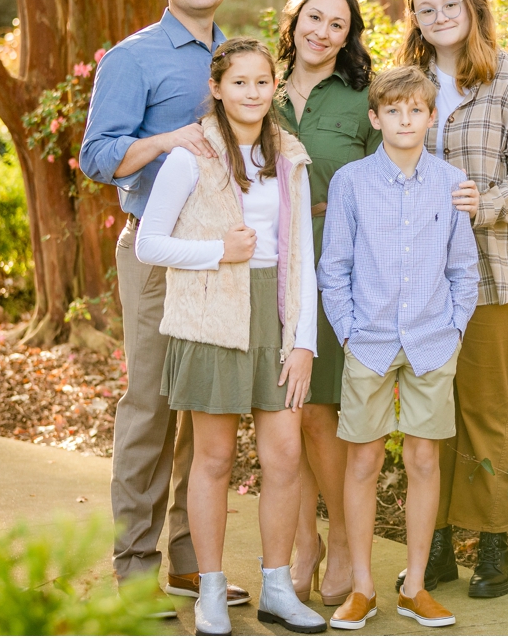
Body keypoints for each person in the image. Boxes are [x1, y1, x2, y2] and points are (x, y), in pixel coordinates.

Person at [79, 0, 249, 617]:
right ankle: (133, 569)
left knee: (202, 409)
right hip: (154, 251)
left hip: (222, 259)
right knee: (150, 406)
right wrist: (166, 140)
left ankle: (188, 559)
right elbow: (96, 158)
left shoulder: (234, 55)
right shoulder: (135, 57)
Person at [134, 37, 327, 635]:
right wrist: (219, 251)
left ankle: (276, 586)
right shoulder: (192, 156)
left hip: (275, 314)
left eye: (262, 82)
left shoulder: (289, 155)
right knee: (213, 458)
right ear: (216, 88)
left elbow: (301, 258)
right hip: (210, 317)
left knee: (285, 457)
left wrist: (303, 342)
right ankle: (211, 590)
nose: (251, 92)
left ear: (275, 89)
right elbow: (148, 243)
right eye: (238, 82)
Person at [393, 0, 508, 599]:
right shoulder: (408, 87)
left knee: (487, 410)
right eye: (425, 9)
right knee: (428, 411)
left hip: (495, 275)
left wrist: (479, 202)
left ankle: (494, 545)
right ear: (416, 19)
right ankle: (432, 547)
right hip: (422, 281)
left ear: (472, 8)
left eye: (448, 6)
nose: (438, 18)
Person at [318, 66, 479, 630]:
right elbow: (333, 268)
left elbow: (464, 269)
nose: (405, 120)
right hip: (370, 341)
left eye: (416, 110)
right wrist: (348, 331)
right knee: (362, 459)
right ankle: (362, 589)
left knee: (424, 458)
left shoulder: (450, 182)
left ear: (431, 117)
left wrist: (455, 328)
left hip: (433, 342)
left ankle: (414, 586)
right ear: (375, 117)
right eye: (394, 110)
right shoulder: (352, 183)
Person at [274, 0, 380, 607]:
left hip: (337, 262)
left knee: (322, 414)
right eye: (313, 17)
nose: (322, 31)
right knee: (285, 415)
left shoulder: (364, 97)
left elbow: (386, 176)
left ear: (349, 35)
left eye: (337, 24)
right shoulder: (262, 84)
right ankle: (304, 541)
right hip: (269, 265)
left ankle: (342, 540)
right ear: (294, 21)